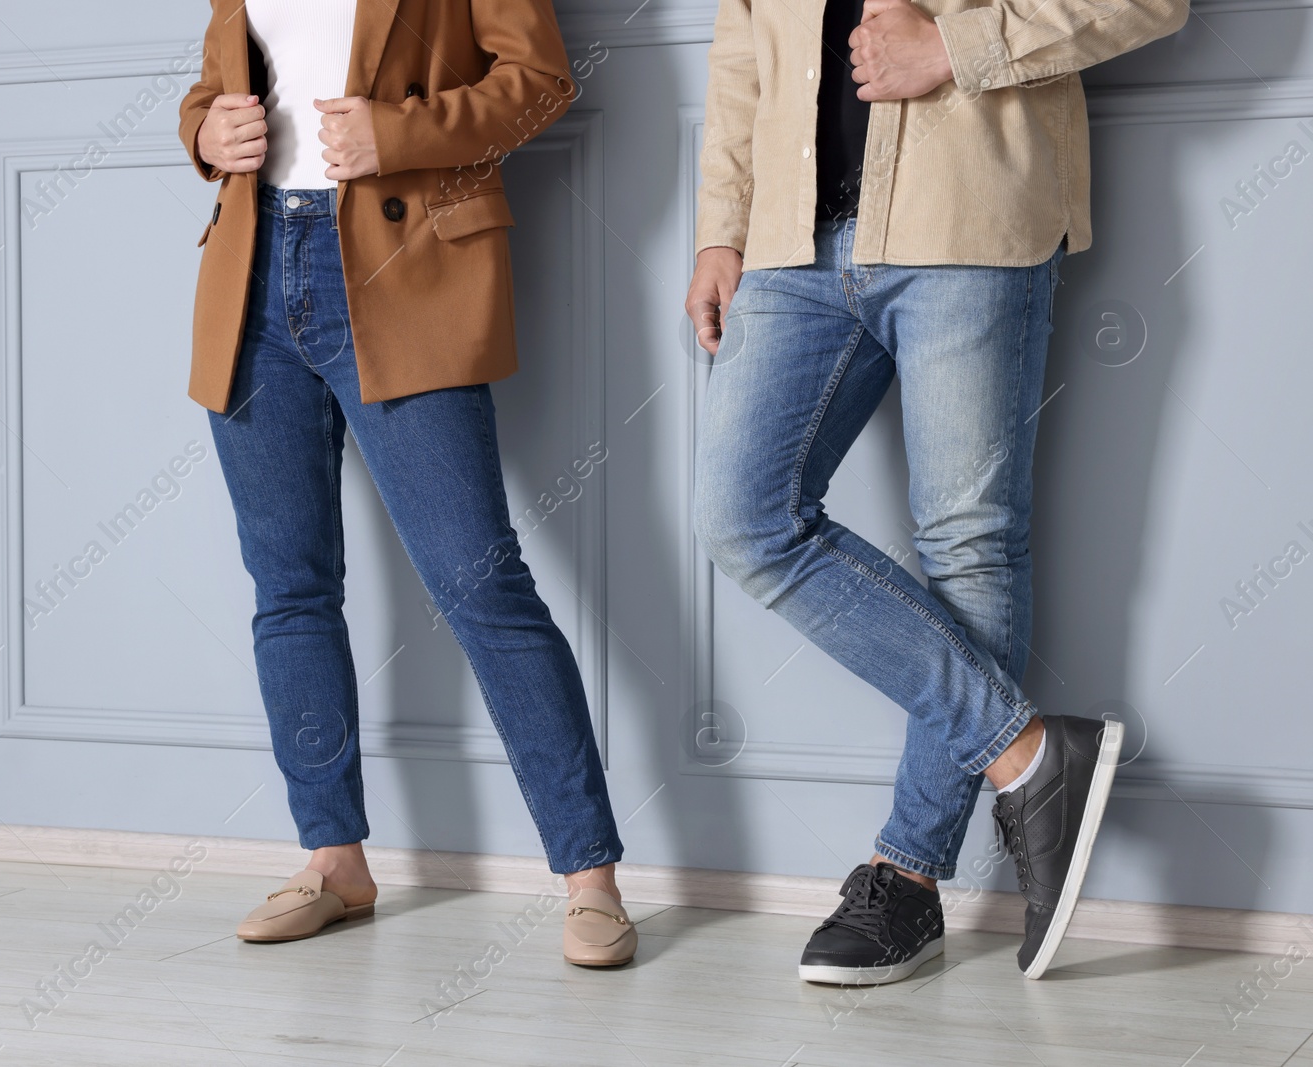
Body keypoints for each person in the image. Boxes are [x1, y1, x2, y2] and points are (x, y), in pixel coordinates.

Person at [686, 0, 1187, 983]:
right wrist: (720, 225)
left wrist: (953, 46)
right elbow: (741, 42)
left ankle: (906, 877)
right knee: (741, 516)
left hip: (968, 214)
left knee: (967, 545)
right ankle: (1033, 755)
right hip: (790, 242)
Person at [177, 0, 636, 967]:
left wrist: (399, 133)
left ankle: (589, 874)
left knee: (482, 585)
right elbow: (218, 83)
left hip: (404, 265)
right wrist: (204, 130)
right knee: (290, 590)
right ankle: (333, 858)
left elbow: (541, 78)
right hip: (254, 273)